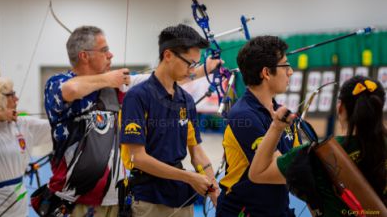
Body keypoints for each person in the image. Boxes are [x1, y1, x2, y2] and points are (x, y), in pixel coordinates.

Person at [44, 25, 219, 217]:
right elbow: (71, 90)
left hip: (114, 198)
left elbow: (167, 79)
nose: (110, 55)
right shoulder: (57, 82)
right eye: (104, 50)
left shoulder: (119, 86)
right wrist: (110, 79)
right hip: (73, 199)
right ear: (84, 55)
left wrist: (206, 68)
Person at [249, 75, 387, 215]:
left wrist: (276, 127)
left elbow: (258, 172)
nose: (289, 72)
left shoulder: (316, 154)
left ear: (340, 107)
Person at [121, 24, 220, 217]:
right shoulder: (137, 97)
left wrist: (215, 192)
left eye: (196, 65)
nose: (192, 70)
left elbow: (197, 151)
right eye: (189, 63)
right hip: (149, 200)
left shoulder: (186, 100)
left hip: (182, 199)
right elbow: (138, 158)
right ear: (168, 55)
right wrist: (189, 177)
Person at [216, 36, 300, 217]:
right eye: (285, 65)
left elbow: (297, 157)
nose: (291, 72)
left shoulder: (280, 113)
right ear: (266, 73)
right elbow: (276, 169)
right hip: (244, 211)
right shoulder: (243, 116)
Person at [0, 77, 51, 217]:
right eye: (11, 94)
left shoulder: (22, 123)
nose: (17, 98)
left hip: (19, 199)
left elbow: (56, 128)